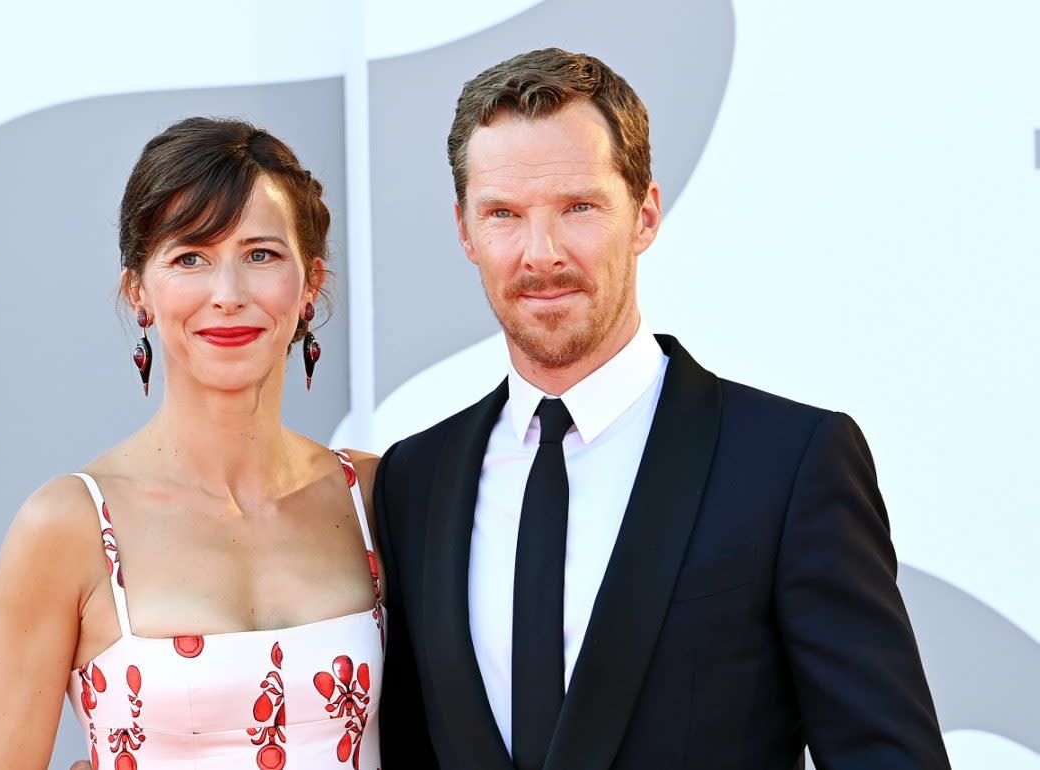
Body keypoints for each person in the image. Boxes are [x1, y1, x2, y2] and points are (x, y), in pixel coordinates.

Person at [374, 48, 951, 770]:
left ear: (644, 214)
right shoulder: (413, 481)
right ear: (464, 232)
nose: (540, 252)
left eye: (578, 207)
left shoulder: (790, 463)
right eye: (503, 214)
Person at [0, 118, 384, 770]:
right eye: (190, 257)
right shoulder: (69, 526)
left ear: (310, 286)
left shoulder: (376, 497)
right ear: (139, 290)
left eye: (261, 255)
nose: (228, 295)